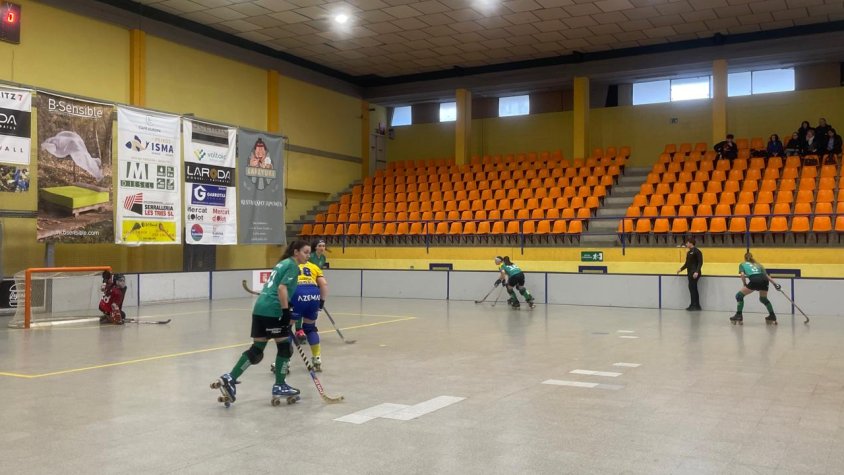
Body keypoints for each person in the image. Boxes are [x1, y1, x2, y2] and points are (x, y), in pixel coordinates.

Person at [213, 240, 311, 406]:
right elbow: (281, 288)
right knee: (284, 347)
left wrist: (288, 303)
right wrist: (286, 311)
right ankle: (280, 385)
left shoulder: (282, 263)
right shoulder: (293, 266)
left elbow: (277, 288)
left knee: (257, 350)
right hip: (273, 310)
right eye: (305, 252)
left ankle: (230, 378)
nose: (308, 256)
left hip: (259, 308)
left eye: (309, 252)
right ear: (296, 252)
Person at [291, 257, 328, 371]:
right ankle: (317, 359)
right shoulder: (313, 266)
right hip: (313, 294)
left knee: (285, 329)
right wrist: (321, 302)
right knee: (310, 329)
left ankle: (285, 362)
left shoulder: (289, 265)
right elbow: (324, 285)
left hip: (297, 292)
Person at [731, 252, 781, 325]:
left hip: (755, 279)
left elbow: (742, 275)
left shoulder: (742, 264)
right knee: (763, 299)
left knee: (739, 296)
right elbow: (766, 275)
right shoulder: (759, 265)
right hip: (764, 280)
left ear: (745, 258)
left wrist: (744, 284)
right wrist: (775, 284)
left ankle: (738, 315)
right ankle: (772, 315)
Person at [676, 237, 703, 311]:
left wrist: (697, 271)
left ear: (691, 243)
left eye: (687, 243)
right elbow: (687, 264)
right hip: (690, 273)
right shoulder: (689, 252)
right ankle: (693, 304)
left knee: (693, 288)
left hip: (695, 273)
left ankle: (695, 305)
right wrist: (681, 269)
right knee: (692, 288)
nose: (686, 244)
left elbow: (700, 262)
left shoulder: (697, 251)